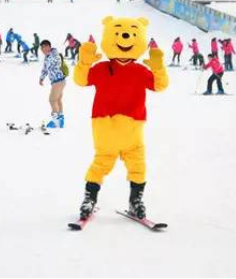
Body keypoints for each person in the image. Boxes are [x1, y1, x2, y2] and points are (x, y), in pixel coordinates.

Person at [73, 16, 169, 221]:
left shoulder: (140, 71)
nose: (126, 37)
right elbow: (80, 80)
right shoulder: (103, 69)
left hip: (119, 128)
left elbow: (81, 79)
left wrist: (157, 66)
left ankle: (94, 199)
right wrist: (85, 61)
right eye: (118, 32)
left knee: (106, 164)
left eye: (133, 33)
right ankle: (131, 200)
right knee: (135, 164)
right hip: (118, 127)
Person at [39, 40, 67, 128]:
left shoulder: (55, 54)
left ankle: (55, 121)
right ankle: (61, 119)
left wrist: (49, 54)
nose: (42, 50)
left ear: (48, 47)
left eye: (44, 47)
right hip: (57, 81)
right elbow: (45, 69)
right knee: (58, 100)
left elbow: (54, 60)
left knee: (52, 100)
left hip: (58, 81)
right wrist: (41, 78)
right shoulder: (47, 57)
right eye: (41, 48)